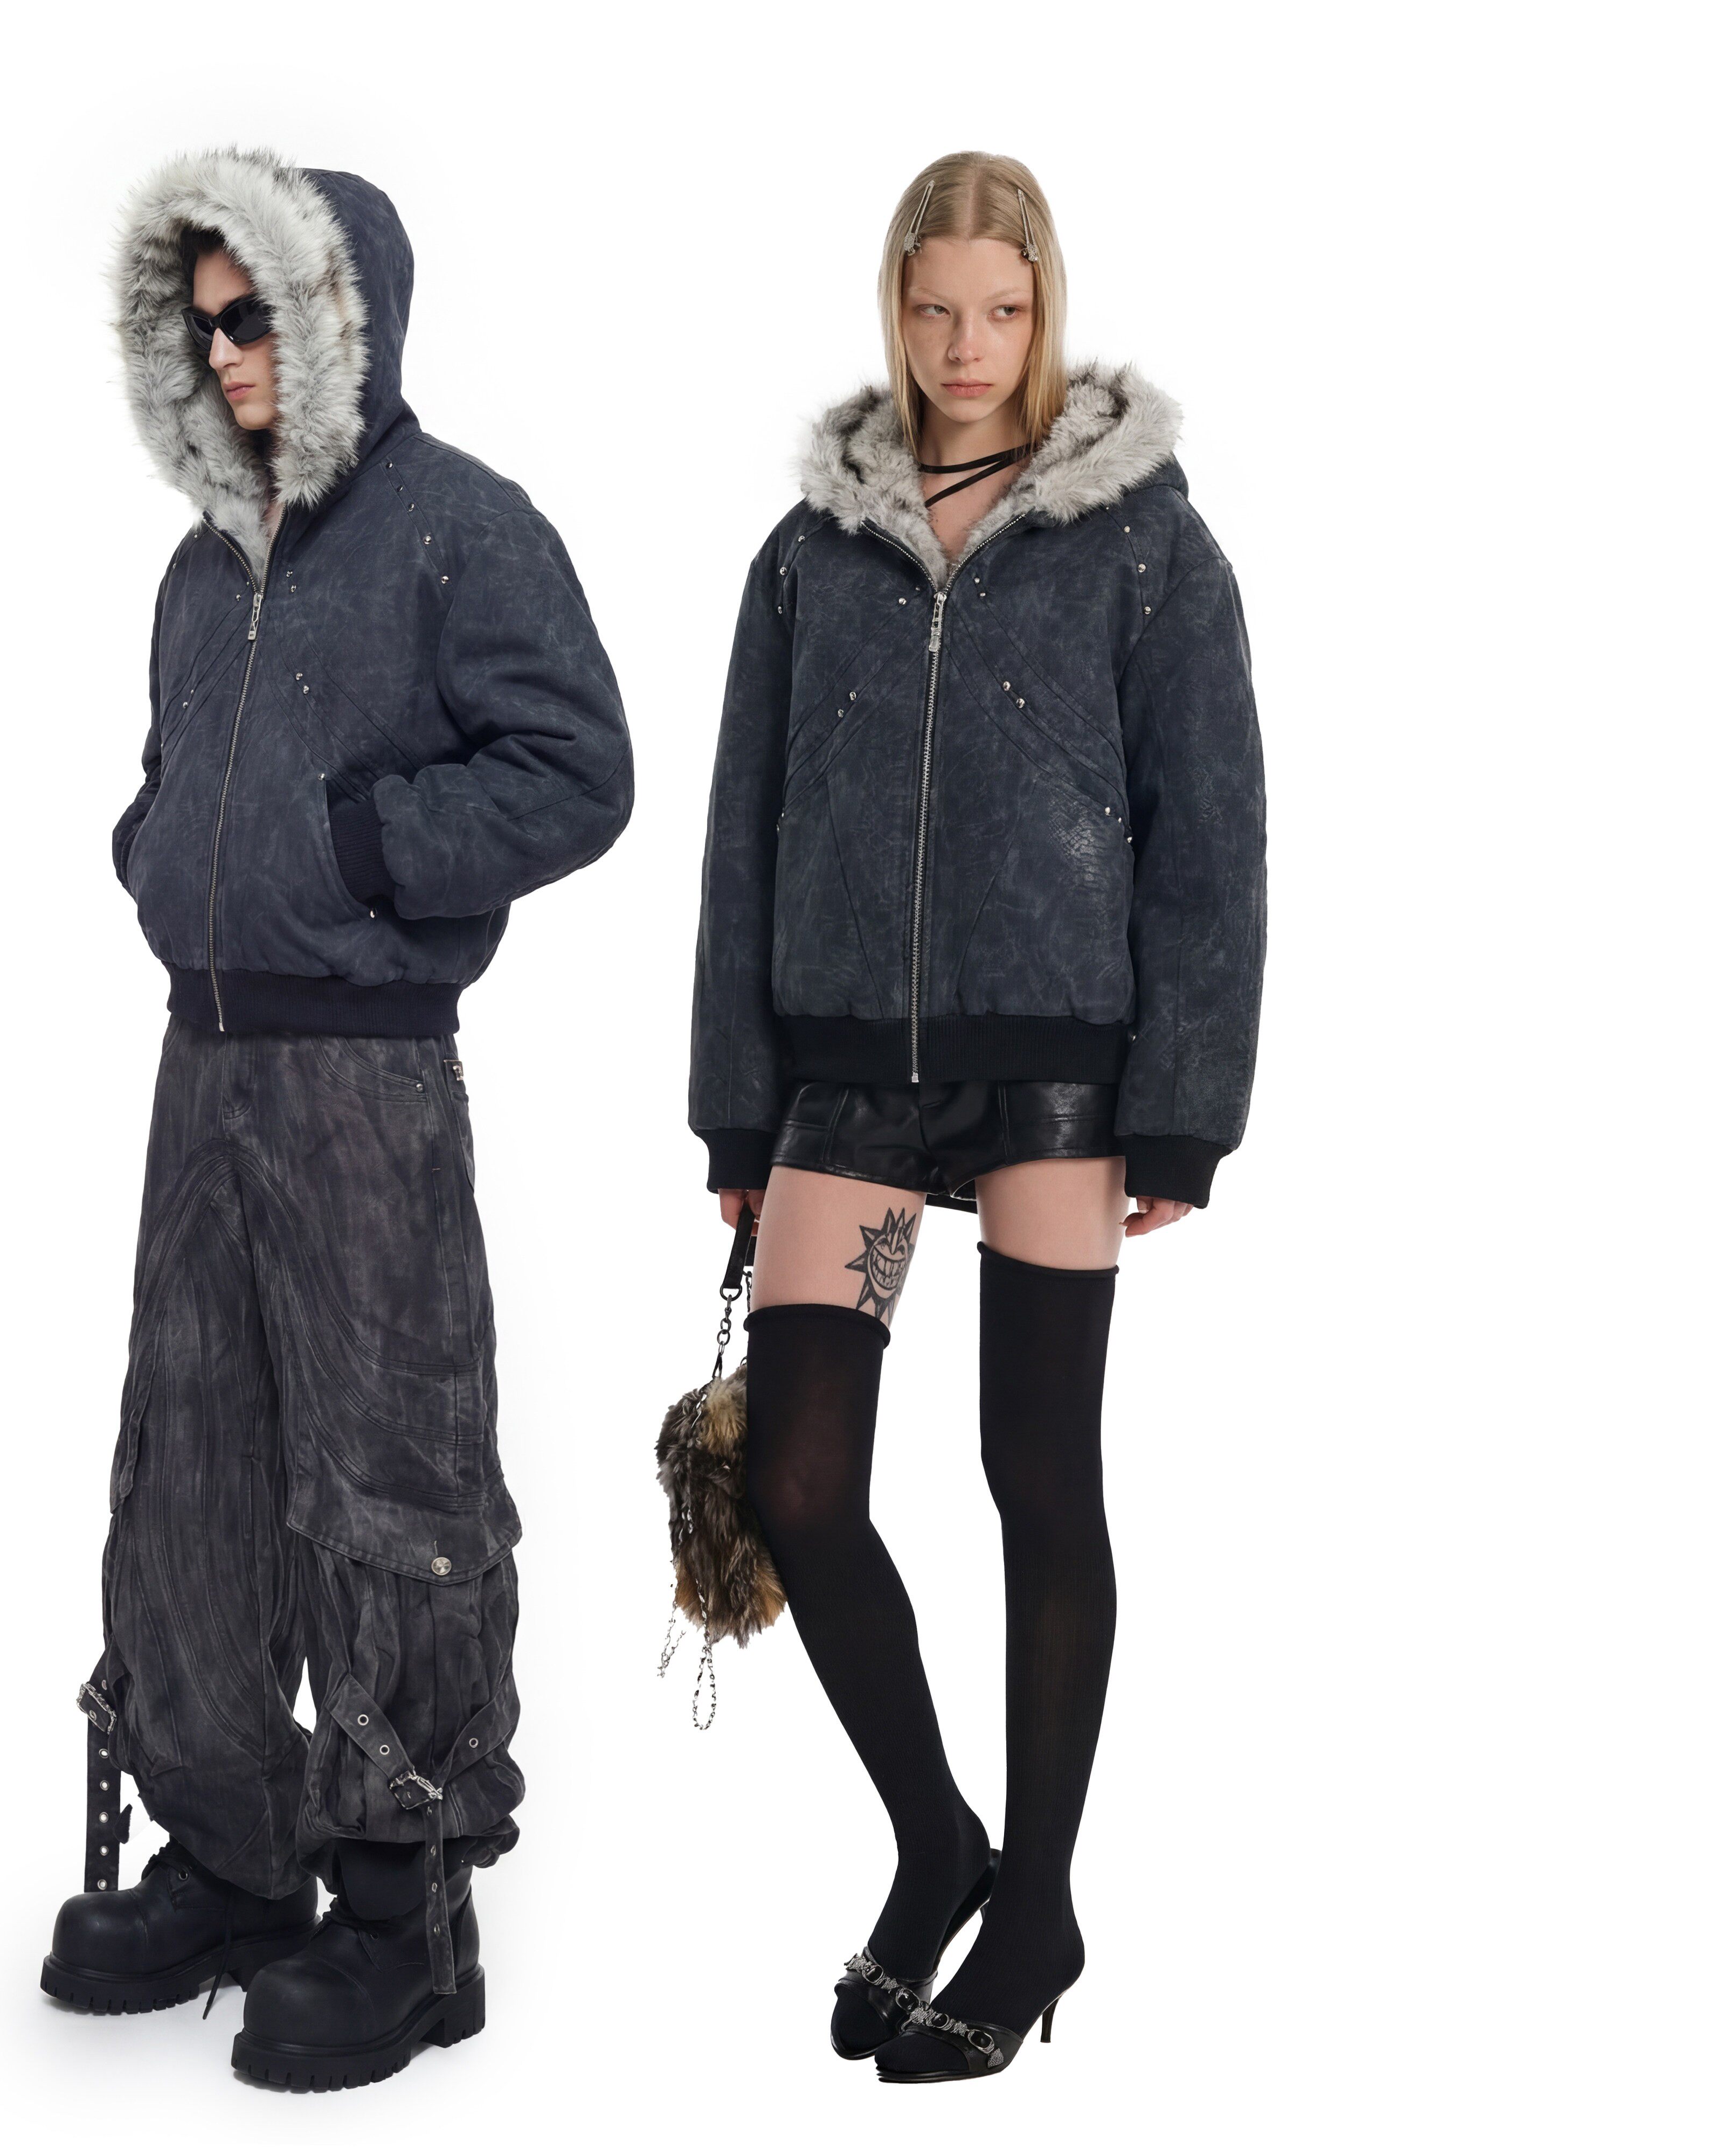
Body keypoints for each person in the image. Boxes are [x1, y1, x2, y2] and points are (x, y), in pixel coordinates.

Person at [40, 148, 631, 2092]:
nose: (227, 355)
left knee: (390, 1479)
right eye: (201, 324)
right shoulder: (199, 565)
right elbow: (174, 778)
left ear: (336, 316)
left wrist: (370, 846)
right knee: (192, 1463)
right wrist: (156, 853)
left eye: (256, 317)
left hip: (366, 1078)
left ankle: (400, 1902)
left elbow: (578, 768)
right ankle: (232, 1855)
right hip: (199, 1065)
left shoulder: (462, 530)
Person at [688, 150, 1264, 2082]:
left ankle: (1037, 1905)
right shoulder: (810, 551)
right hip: (845, 1066)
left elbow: (1212, 829)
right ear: (895, 305)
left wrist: (1181, 1109)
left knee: (1038, 1471)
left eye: (998, 312)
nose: (963, 346)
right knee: (796, 1483)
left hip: (1051, 1069)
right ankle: (937, 1838)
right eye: (933, 309)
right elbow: (740, 836)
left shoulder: (1140, 538)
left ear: (1043, 311)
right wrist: (736, 1113)